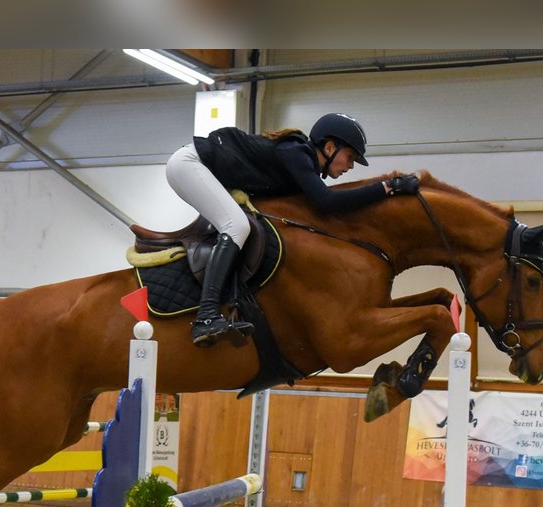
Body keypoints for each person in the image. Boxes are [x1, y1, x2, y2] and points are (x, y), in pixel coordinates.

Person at [166, 112, 418, 347]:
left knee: (241, 226)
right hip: (190, 164)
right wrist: (387, 187)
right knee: (237, 226)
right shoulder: (296, 153)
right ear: (330, 147)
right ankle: (206, 317)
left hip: (202, 168)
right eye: (350, 157)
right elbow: (328, 202)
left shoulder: (301, 163)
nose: (350, 166)